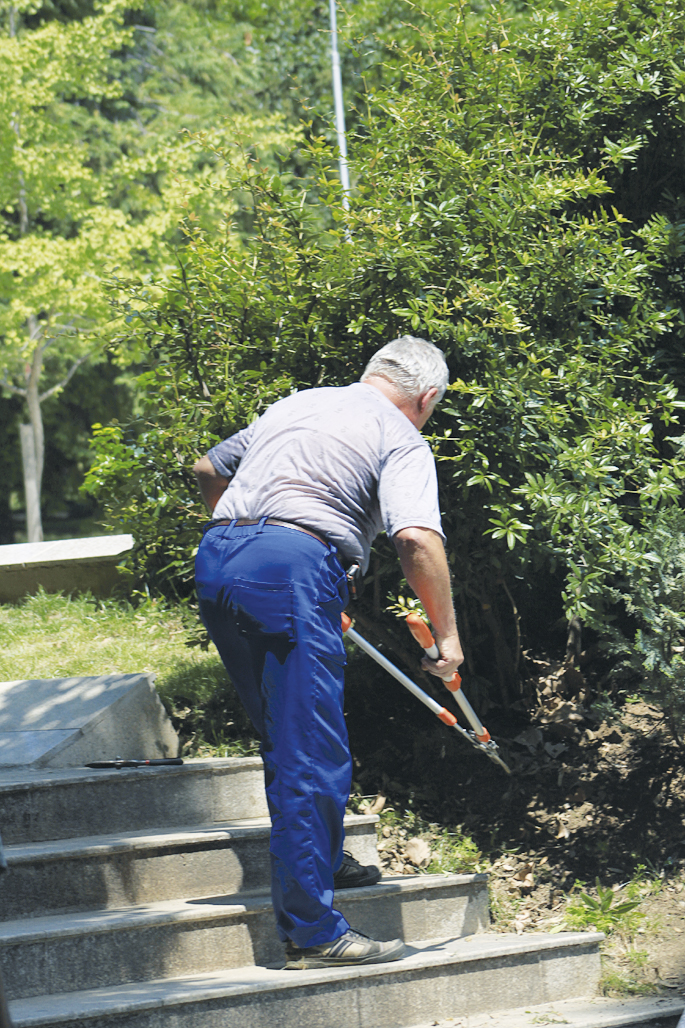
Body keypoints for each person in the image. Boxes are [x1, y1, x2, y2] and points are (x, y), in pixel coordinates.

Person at [193, 335, 464, 970]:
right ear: (425, 398)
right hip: (290, 567)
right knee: (308, 749)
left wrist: (261, 544)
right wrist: (445, 637)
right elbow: (417, 538)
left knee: (283, 725)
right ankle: (313, 933)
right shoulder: (401, 435)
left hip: (220, 557)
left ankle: (323, 856)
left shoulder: (302, 403)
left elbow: (211, 469)